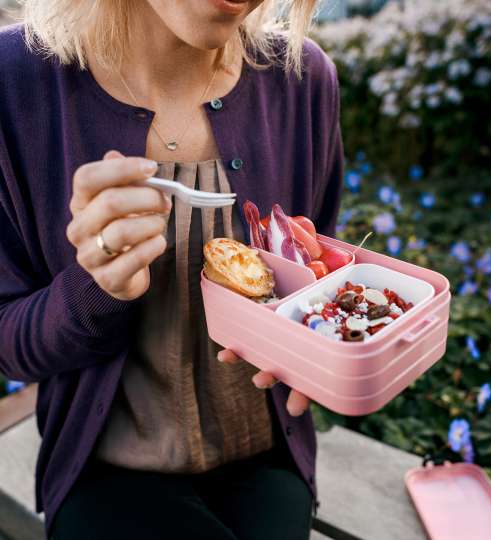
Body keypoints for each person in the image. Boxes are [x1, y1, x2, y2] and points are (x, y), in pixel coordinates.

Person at [0, 0, 344, 538]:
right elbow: (7, 337)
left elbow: (312, 274)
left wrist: (334, 349)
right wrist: (94, 289)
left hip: (269, 456)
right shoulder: (14, 84)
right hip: (104, 469)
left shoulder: (304, 80)